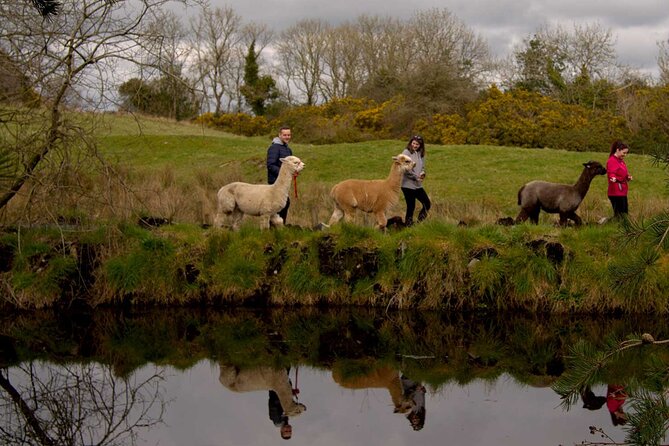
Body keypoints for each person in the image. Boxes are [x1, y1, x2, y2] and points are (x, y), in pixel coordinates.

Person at [401, 135, 431, 226]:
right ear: (410, 143)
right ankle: (408, 226)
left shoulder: (421, 154)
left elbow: (422, 167)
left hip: (417, 184)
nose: (414, 145)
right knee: (411, 207)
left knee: (427, 204)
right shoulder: (406, 152)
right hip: (407, 184)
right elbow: (404, 168)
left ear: (420, 145)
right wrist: (414, 176)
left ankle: (418, 224)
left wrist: (422, 173)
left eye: (417, 144)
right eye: (413, 143)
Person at [267, 126, 294, 225]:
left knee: (285, 204)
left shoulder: (288, 149)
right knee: (279, 205)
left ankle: (280, 226)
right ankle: (274, 228)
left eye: (289, 135)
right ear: (279, 135)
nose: (287, 137)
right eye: (285, 135)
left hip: (284, 183)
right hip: (275, 182)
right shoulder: (274, 148)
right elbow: (270, 165)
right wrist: (284, 174)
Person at [606, 140, 633, 219]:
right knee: (620, 216)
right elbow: (611, 173)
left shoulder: (621, 161)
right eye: (624, 153)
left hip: (622, 192)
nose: (625, 155)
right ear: (618, 150)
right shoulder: (611, 161)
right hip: (615, 192)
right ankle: (615, 228)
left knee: (624, 214)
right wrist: (613, 178)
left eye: (626, 153)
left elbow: (623, 173)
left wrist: (628, 177)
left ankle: (624, 229)